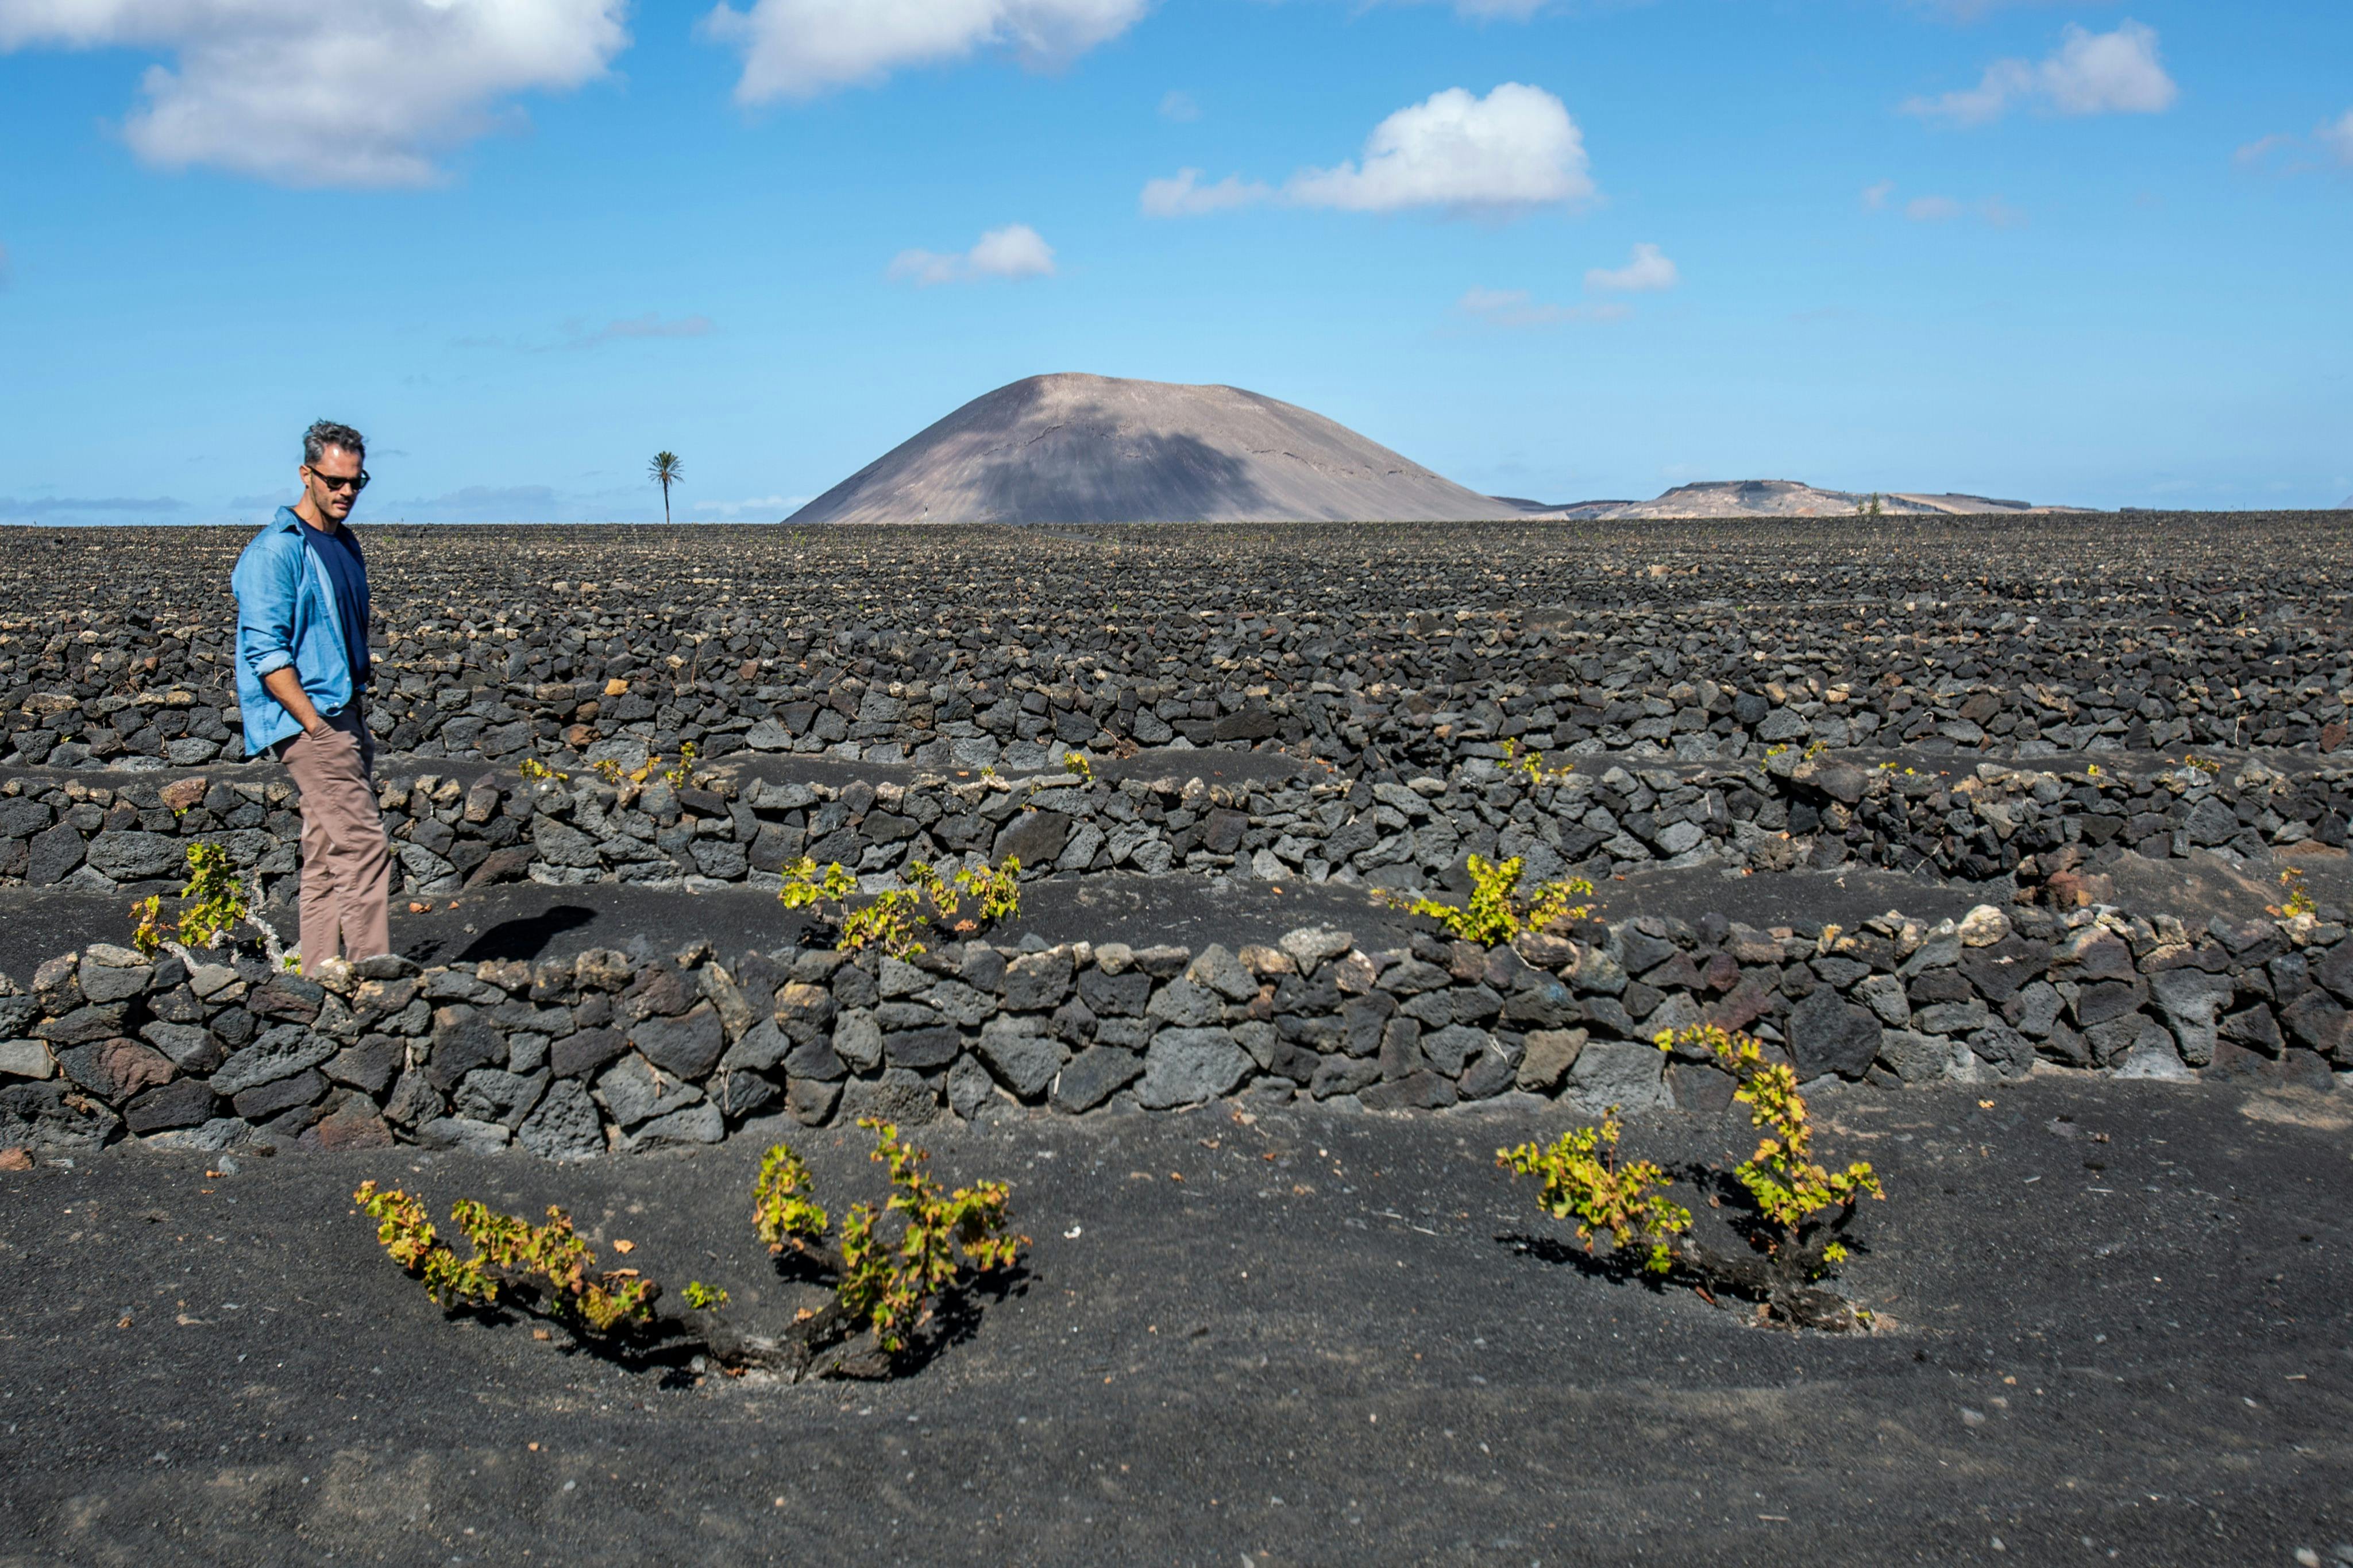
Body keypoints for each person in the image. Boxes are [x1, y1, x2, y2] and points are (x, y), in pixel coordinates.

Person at [232, 420, 391, 970]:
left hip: (345, 710)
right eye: (334, 481)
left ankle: (319, 978)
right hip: (314, 720)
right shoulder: (275, 552)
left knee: (326, 854)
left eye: (356, 482)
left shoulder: (344, 544)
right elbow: (266, 653)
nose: (346, 492)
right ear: (307, 474)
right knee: (363, 845)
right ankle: (376, 979)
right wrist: (314, 726)